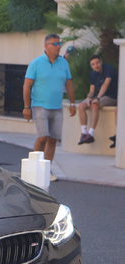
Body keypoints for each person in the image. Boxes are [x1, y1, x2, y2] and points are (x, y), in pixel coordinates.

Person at [23, 34, 76, 182]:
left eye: (59, 44)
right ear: (46, 46)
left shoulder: (63, 64)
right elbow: (27, 86)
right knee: (42, 137)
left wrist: (72, 104)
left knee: (52, 139)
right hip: (40, 106)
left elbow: (69, 84)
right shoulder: (36, 63)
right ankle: (34, 168)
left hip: (57, 107)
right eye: (55, 44)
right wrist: (27, 106)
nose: (58, 46)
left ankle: (47, 170)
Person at [77, 55, 118, 147]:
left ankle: (91, 134)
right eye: (93, 64)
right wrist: (88, 98)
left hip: (111, 96)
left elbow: (105, 85)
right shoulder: (93, 74)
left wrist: (97, 99)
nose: (96, 65)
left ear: (101, 61)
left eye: (97, 63)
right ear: (91, 65)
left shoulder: (108, 69)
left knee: (95, 105)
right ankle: (84, 133)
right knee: (81, 106)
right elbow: (92, 91)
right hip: (99, 95)